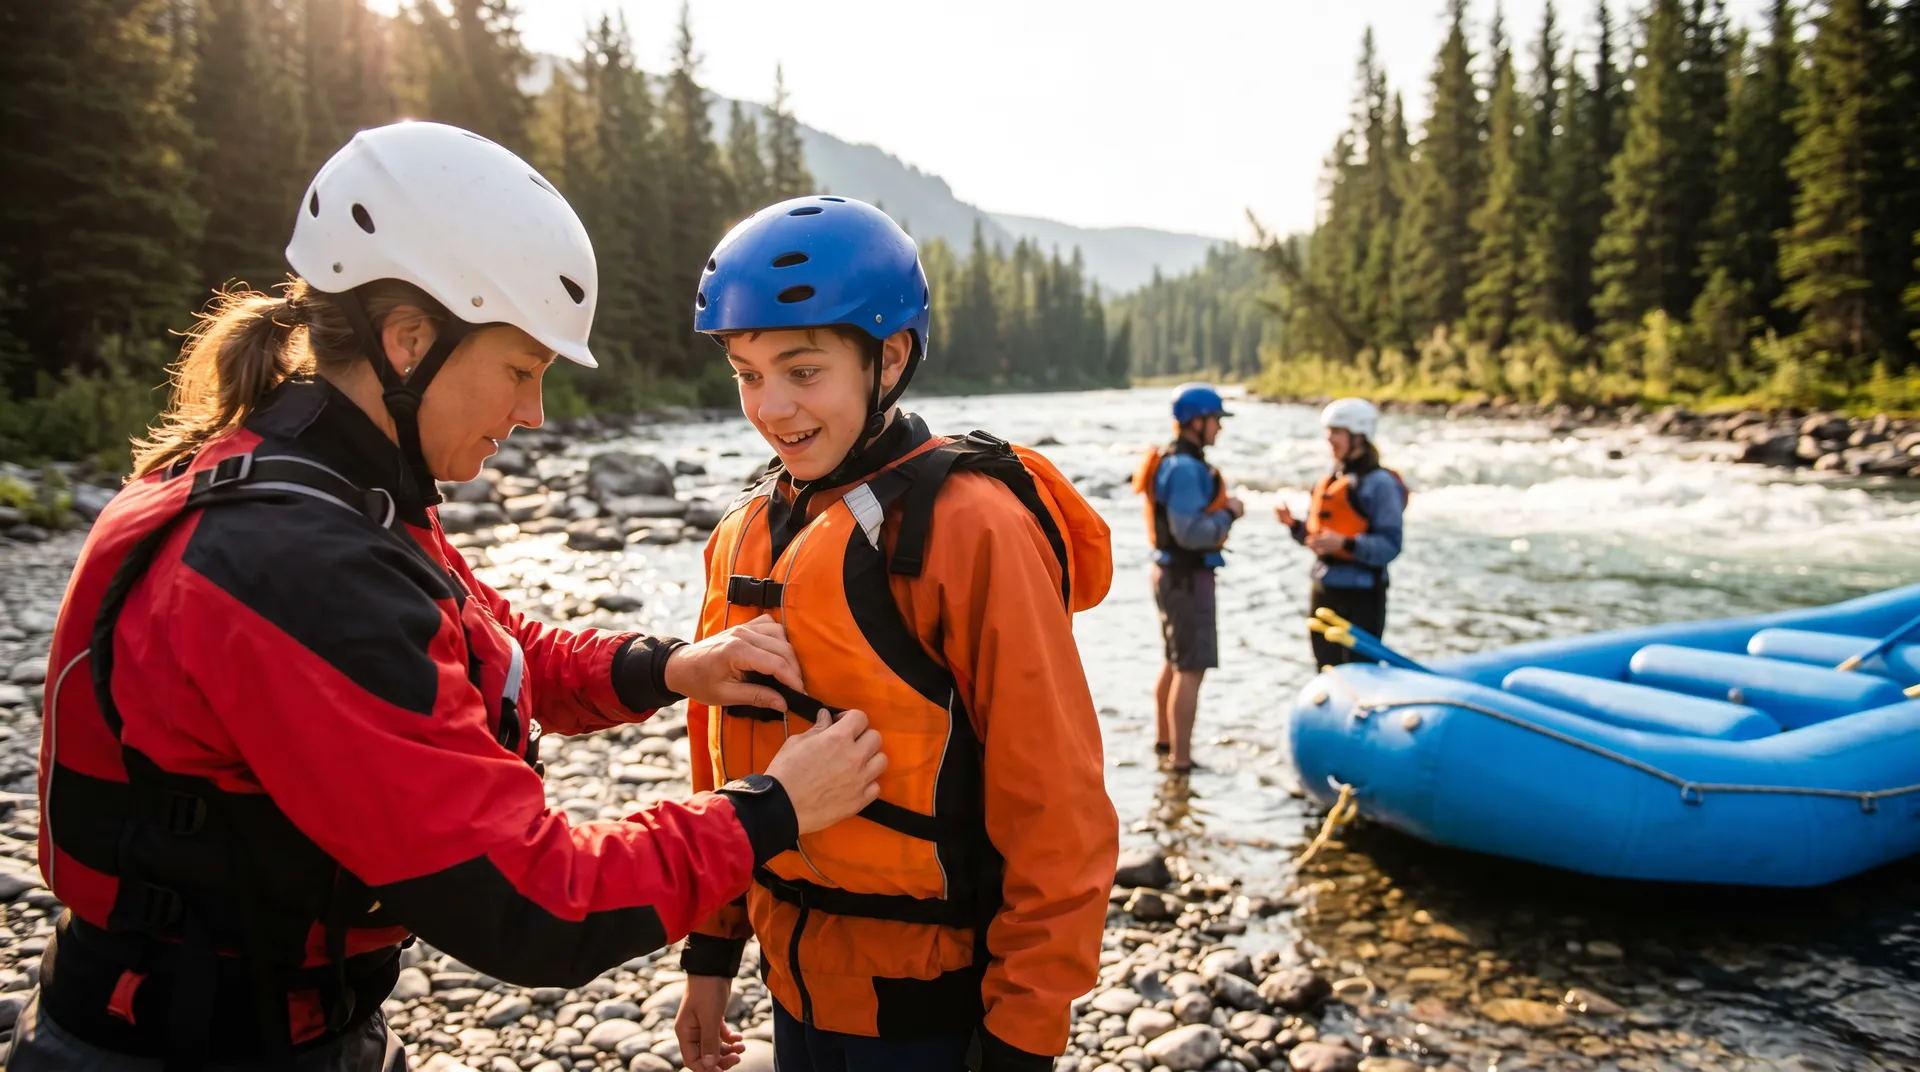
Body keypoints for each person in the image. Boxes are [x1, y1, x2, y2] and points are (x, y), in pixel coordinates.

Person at [14, 122, 888, 1072]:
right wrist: (771, 810)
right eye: (521, 371)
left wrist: (671, 667)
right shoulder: (291, 561)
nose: (533, 414)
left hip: (260, 1019)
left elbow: (489, 648)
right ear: (408, 341)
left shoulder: (310, 483)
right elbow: (535, 902)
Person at [671, 196, 1120, 1072]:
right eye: (747, 373)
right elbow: (718, 755)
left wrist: (1023, 1033)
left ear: (890, 357)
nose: (771, 407)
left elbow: (1056, 800)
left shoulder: (971, 527)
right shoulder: (743, 535)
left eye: (803, 371)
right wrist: (710, 955)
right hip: (794, 991)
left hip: (937, 1018)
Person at [1132, 383, 1243, 772]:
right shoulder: (1185, 468)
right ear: (1196, 422)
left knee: (1173, 661)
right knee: (1190, 669)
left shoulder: (1174, 461)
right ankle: (1181, 759)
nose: (1219, 429)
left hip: (1170, 574)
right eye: (1216, 420)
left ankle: (1165, 743)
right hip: (1185, 577)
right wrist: (1229, 512)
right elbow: (1190, 532)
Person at [1276, 397, 1408, 667]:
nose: (1329, 440)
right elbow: (1319, 539)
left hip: (1362, 596)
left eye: (1337, 432)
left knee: (1361, 672)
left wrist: (1347, 545)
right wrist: (1295, 527)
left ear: (1359, 437)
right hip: (1324, 589)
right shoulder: (1329, 480)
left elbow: (1390, 545)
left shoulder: (1380, 484)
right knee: (1325, 670)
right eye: (1328, 432)